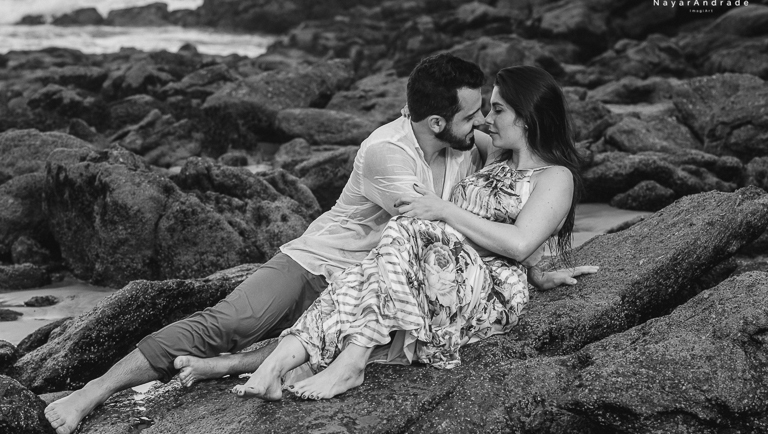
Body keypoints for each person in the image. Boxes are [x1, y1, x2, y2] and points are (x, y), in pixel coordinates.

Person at [44, 56, 590, 434]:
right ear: (437, 121)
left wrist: (538, 266)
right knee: (229, 321)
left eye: (489, 112)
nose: (483, 125)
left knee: (310, 336)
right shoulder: (388, 153)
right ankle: (93, 391)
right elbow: (436, 220)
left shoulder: (473, 148)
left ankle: (233, 367)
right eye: (475, 116)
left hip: (389, 277)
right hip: (322, 261)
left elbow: (515, 212)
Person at [232, 65, 585, 401]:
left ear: (526, 117)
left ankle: (345, 363)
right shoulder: (495, 150)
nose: (486, 120)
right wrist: (416, 108)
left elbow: (521, 244)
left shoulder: (555, 177)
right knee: (364, 273)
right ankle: (278, 366)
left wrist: (444, 210)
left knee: (407, 225)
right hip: (433, 263)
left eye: (497, 110)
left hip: (486, 286)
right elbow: (436, 123)